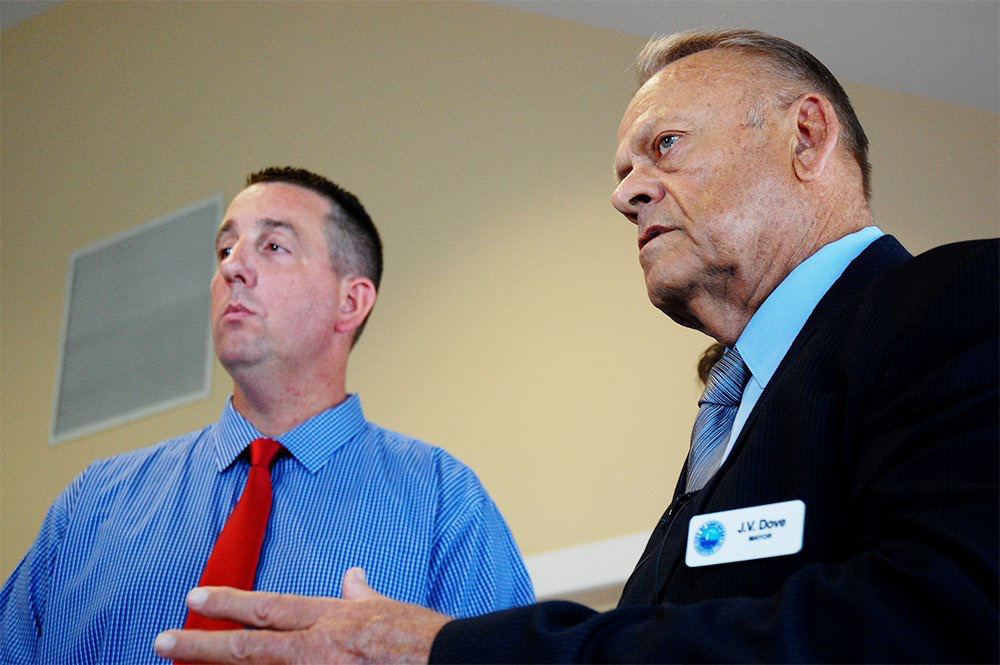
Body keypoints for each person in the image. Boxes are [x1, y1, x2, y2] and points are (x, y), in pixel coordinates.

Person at [154, 30, 998, 664]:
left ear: (806, 138)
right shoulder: (738, 410)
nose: (625, 193)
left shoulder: (955, 301)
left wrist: (448, 651)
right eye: (623, 167)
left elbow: (944, 619)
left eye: (663, 146)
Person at [0, 167, 534, 664]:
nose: (232, 265)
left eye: (273, 246)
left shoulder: (446, 505)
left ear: (350, 302)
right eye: (225, 248)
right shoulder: (90, 507)